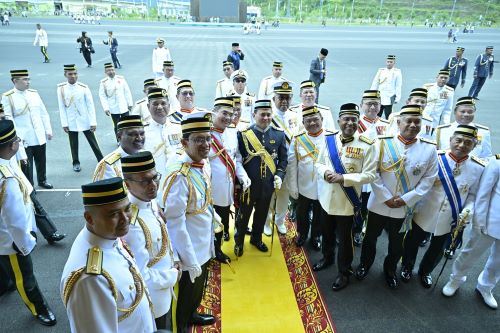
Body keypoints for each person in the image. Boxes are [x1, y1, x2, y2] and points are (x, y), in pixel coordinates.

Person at [356, 105, 438, 289]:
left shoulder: (429, 149)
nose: (412, 125)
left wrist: (407, 199)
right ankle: (364, 264)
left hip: (404, 208)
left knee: (396, 244)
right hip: (378, 203)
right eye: (408, 121)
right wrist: (385, 197)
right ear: (399, 122)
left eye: (417, 121)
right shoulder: (382, 142)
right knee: (370, 238)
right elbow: (372, 172)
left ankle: (390, 270)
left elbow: (429, 179)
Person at [60, 177, 156, 332]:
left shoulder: (107, 236)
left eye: (127, 209)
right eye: (113, 214)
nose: (125, 219)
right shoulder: (90, 278)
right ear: (90, 218)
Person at [401, 125, 484, 288]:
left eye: (468, 143)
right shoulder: (436, 157)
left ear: (474, 145)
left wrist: (468, 209)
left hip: (450, 217)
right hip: (424, 211)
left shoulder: (478, 167)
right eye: (458, 141)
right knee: (412, 241)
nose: (461, 145)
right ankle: (407, 266)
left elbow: (473, 194)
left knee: (438, 248)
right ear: (450, 140)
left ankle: (426, 271)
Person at [162, 111, 216, 333]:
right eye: (199, 139)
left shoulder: (200, 163)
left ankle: (192, 313)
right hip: (190, 247)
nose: (206, 144)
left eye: (208, 138)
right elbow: (174, 221)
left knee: (197, 289)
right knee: (186, 291)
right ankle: (182, 325)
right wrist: (188, 258)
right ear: (185, 142)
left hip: (203, 239)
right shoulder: (179, 174)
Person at [314, 103, 377, 290]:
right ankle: (327, 257)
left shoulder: (367, 145)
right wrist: (325, 172)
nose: (350, 123)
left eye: (354, 119)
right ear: (339, 120)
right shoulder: (329, 140)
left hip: (347, 203)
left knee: (345, 240)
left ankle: (344, 271)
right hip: (326, 199)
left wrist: (344, 178)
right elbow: (318, 164)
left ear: (358, 121)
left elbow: (370, 175)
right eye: (346, 119)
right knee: (326, 233)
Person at [0, 120, 57, 327]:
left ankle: (4, 285)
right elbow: (13, 219)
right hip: (10, 239)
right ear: (11, 145)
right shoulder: (6, 178)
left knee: (5, 269)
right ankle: (39, 308)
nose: (19, 142)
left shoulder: (6, 161)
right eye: (16, 140)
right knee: (25, 277)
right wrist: (23, 244)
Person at [121, 151, 181, 329]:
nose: (153, 185)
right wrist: (172, 276)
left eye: (155, 178)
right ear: (127, 184)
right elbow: (140, 275)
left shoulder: (150, 201)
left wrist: (174, 259)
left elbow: (164, 239)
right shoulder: (131, 223)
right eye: (145, 181)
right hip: (153, 300)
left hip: (165, 291)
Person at [442, 153, 500, 309]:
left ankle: (486, 287)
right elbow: (483, 194)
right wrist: (479, 221)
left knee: (498, 262)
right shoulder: (497, 162)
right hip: (490, 221)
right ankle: (456, 279)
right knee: (471, 253)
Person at [234, 100, 287, 257]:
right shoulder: (243, 135)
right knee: (243, 216)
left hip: (268, 185)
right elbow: (239, 160)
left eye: (268, 114)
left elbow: (283, 160)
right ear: (254, 115)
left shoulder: (279, 134)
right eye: (262, 114)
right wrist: (242, 179)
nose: (265, 117)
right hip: (249, 186)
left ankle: (256, 239)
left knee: (262, 215)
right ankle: (239, 241)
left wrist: (279, 175)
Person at [209, 97, 250, 259]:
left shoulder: (233, 133)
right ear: (214, 113)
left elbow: (236, 159)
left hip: (227, 189)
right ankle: (211, 250)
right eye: (224, 113)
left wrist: (243, 176)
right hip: (210, 188)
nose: (227, 117)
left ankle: (217, 248)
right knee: (209, 222)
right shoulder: (205, 134)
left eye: (231, 114)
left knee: (223, 219)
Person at [1, 69, 53, 189]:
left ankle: (42, 180)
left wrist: (48, 130)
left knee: (41, 160)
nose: (28, 82)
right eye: (25, 79)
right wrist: (15, 137)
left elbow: (43, 113)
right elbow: (9, 120)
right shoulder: (8, 97)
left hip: (38, 134)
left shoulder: (34, 94)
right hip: (23, 137)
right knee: (26, 163)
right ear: (15, 81)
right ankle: (30, 186)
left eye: (28, 79)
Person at [288, 106, 328, 249]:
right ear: (303, 123)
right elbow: (292, 164)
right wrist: (293, 186)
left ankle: (316, 235)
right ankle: (302, 234)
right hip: (304, 186)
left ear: (322, 120)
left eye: (315, 119)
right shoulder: (298, 139)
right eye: (308, 121)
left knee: (320, 214)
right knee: (302, 212)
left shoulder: (331, 137)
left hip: (324, 186)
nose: (312, 123)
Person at [264, 82, 300, 236]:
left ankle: (280, 221)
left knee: (284, 195)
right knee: (269, 195)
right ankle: (266, 222)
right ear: (274, 98)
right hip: (272, 163)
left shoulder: (295, 116)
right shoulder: (267, 116)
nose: (284, 101)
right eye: (281, 98)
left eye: (287, 98)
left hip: (289, 164)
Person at [353, 90, 389, 246]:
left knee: (371, 205)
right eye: (369, 103)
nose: (373, 107)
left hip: (379, 174)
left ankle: (365, 230)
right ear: (361, 105)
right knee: (356, 204)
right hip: (359, 172)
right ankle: (354, 230)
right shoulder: (354, 123)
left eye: (376, 104)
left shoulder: (387, 125)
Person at [57, 64, 103, 172]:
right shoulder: (61, 89)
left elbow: (90, 106)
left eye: (75, 73)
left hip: (85, 119)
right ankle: (76, 162)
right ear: (65, 75)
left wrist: (93, 122)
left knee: (93, 142)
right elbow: (61, 107)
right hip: (71, 120)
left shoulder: (83, 87)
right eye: (70, 74)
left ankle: (101, 160)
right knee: (73, 143)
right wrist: (64, 123)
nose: (73, 76)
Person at [143, 87, 176, 194]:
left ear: (169, 106)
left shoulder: (179, 128)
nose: (160, 107)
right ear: (148, 106)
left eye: (163, 103)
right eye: (155, 104)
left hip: (178, 185)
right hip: (155, 187)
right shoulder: (142, 132)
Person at [93, 115, 144, 181]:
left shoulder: (148, 155)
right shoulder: (108, 166)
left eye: (142, 134)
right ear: (119, 136)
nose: (139, 138)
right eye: (132, 134)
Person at [98, 63, 133, 140]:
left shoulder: (121, 79)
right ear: (105, 72)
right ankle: (119, 140)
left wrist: (130, 103)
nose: (111, 72)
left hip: (123, 105)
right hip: (113, 107)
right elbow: (102, 96)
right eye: (108, 70)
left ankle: (129, 139)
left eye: (112, 70)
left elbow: (127, 91)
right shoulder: (104, 83)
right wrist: (106, 108)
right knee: (117, 125)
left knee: (127, 124)